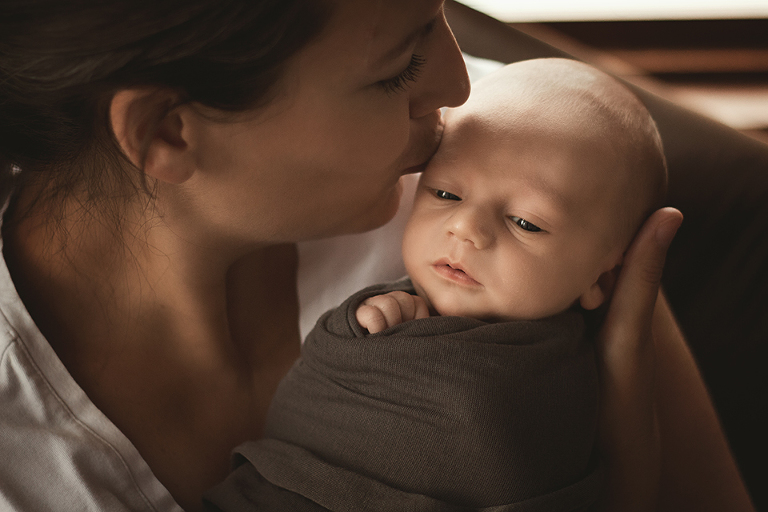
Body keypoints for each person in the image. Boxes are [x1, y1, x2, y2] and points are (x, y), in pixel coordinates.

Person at [0, 1, 752, 511]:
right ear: (170, 130)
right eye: (397, 67)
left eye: (440, 17)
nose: (458, 85)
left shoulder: (526, 161)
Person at [203, 58, 668, 511]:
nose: (465, 227)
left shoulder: (585, 361)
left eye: (526, 222)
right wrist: (362, 325)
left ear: (602, 277)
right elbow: (318, 396)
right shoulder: (391, 296)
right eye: (445, 193)